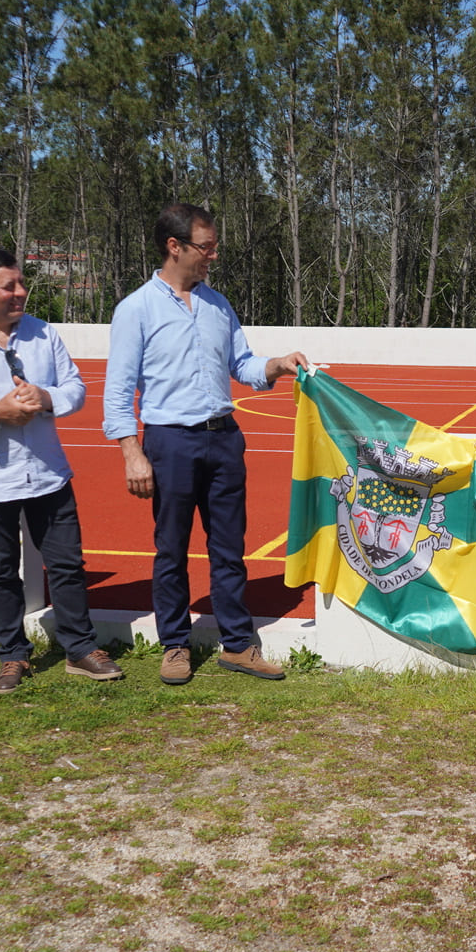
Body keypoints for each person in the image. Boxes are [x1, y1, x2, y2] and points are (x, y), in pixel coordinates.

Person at [103, 203, 308, 684]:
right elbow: (118, 390)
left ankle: (238, 645)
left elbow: (242, 366)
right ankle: (175, 645)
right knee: (171, 549)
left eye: (214, 246)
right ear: (174, 247)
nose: (212, 256)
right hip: (170, 443)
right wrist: (132, 452)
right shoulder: (136, 308)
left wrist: (276, 365)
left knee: (229, 548)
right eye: (205, 247)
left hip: (224, 440)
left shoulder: (219, 305)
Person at [0, 247, 122, 694]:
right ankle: (13, 656)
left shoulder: (42, 334)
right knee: (1, 572)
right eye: (8, 286)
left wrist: (45, 397)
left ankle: (79, 649)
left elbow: (75, 389)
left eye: (21, 283)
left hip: (48, 473)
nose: (20, 292)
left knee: (67, 565)